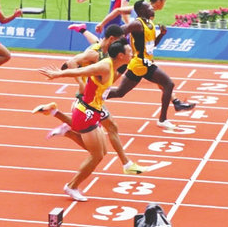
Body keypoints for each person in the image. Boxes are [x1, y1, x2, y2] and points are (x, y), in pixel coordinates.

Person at [34, 24, 147, 175]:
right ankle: (126, 164)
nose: (121, 44)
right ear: (112, 39)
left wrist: (82, 30)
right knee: (107, 133)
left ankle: (60, 119)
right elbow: (72, 62)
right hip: (88, 97)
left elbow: (95, 40)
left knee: (97, 142)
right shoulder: (95, 53)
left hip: (97, 97)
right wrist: (80, 83)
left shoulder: (107, 50)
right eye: (119, 41)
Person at [38, 38, 133, 202]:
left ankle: (62, 122)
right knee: (96, 156)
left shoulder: (113, 66)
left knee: (101, 153)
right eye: (129, 52)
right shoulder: (105, 66)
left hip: (94, 111)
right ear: (120, 55)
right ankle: (72, 186)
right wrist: (59, 74)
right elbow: (82, 71)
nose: (132, 54)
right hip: (86, 112)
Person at [105, 0, 195, 129]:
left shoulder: (150, 24)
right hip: (140, 63)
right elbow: (122, 30)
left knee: (120, 92)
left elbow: (152, 45)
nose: (152, 8)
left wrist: (161, 35)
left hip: (145, 63)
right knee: (168, 84)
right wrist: (115, 43)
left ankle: (95, 96)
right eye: (148, 7)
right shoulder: (137, 24)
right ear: (141, 10)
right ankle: (163, 119)